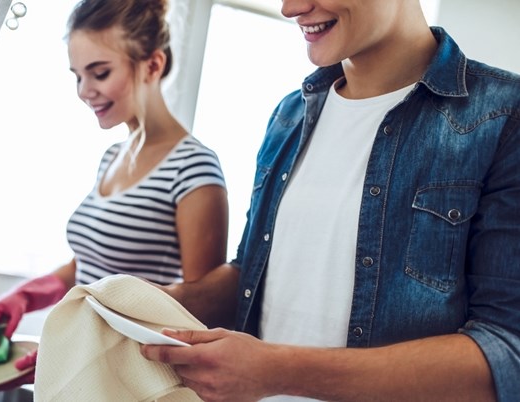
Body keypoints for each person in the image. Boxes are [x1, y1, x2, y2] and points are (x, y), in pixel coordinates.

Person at [141, 0, 520, 401]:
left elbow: (507, 353)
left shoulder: (502, 118)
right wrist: (158, 301)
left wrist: (279, 371)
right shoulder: (289, 116)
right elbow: (251, 273)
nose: (291, 9)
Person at [0, 0, 229, 384]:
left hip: (133, 384)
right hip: (91, 379)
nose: (84, 90)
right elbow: (88, 266)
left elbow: (196, 318)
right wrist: (24, 296)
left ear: (152, 65)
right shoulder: (112, 156)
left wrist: (82, 345)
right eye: (77, 76)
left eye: (100, 73)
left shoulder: (193, 169)